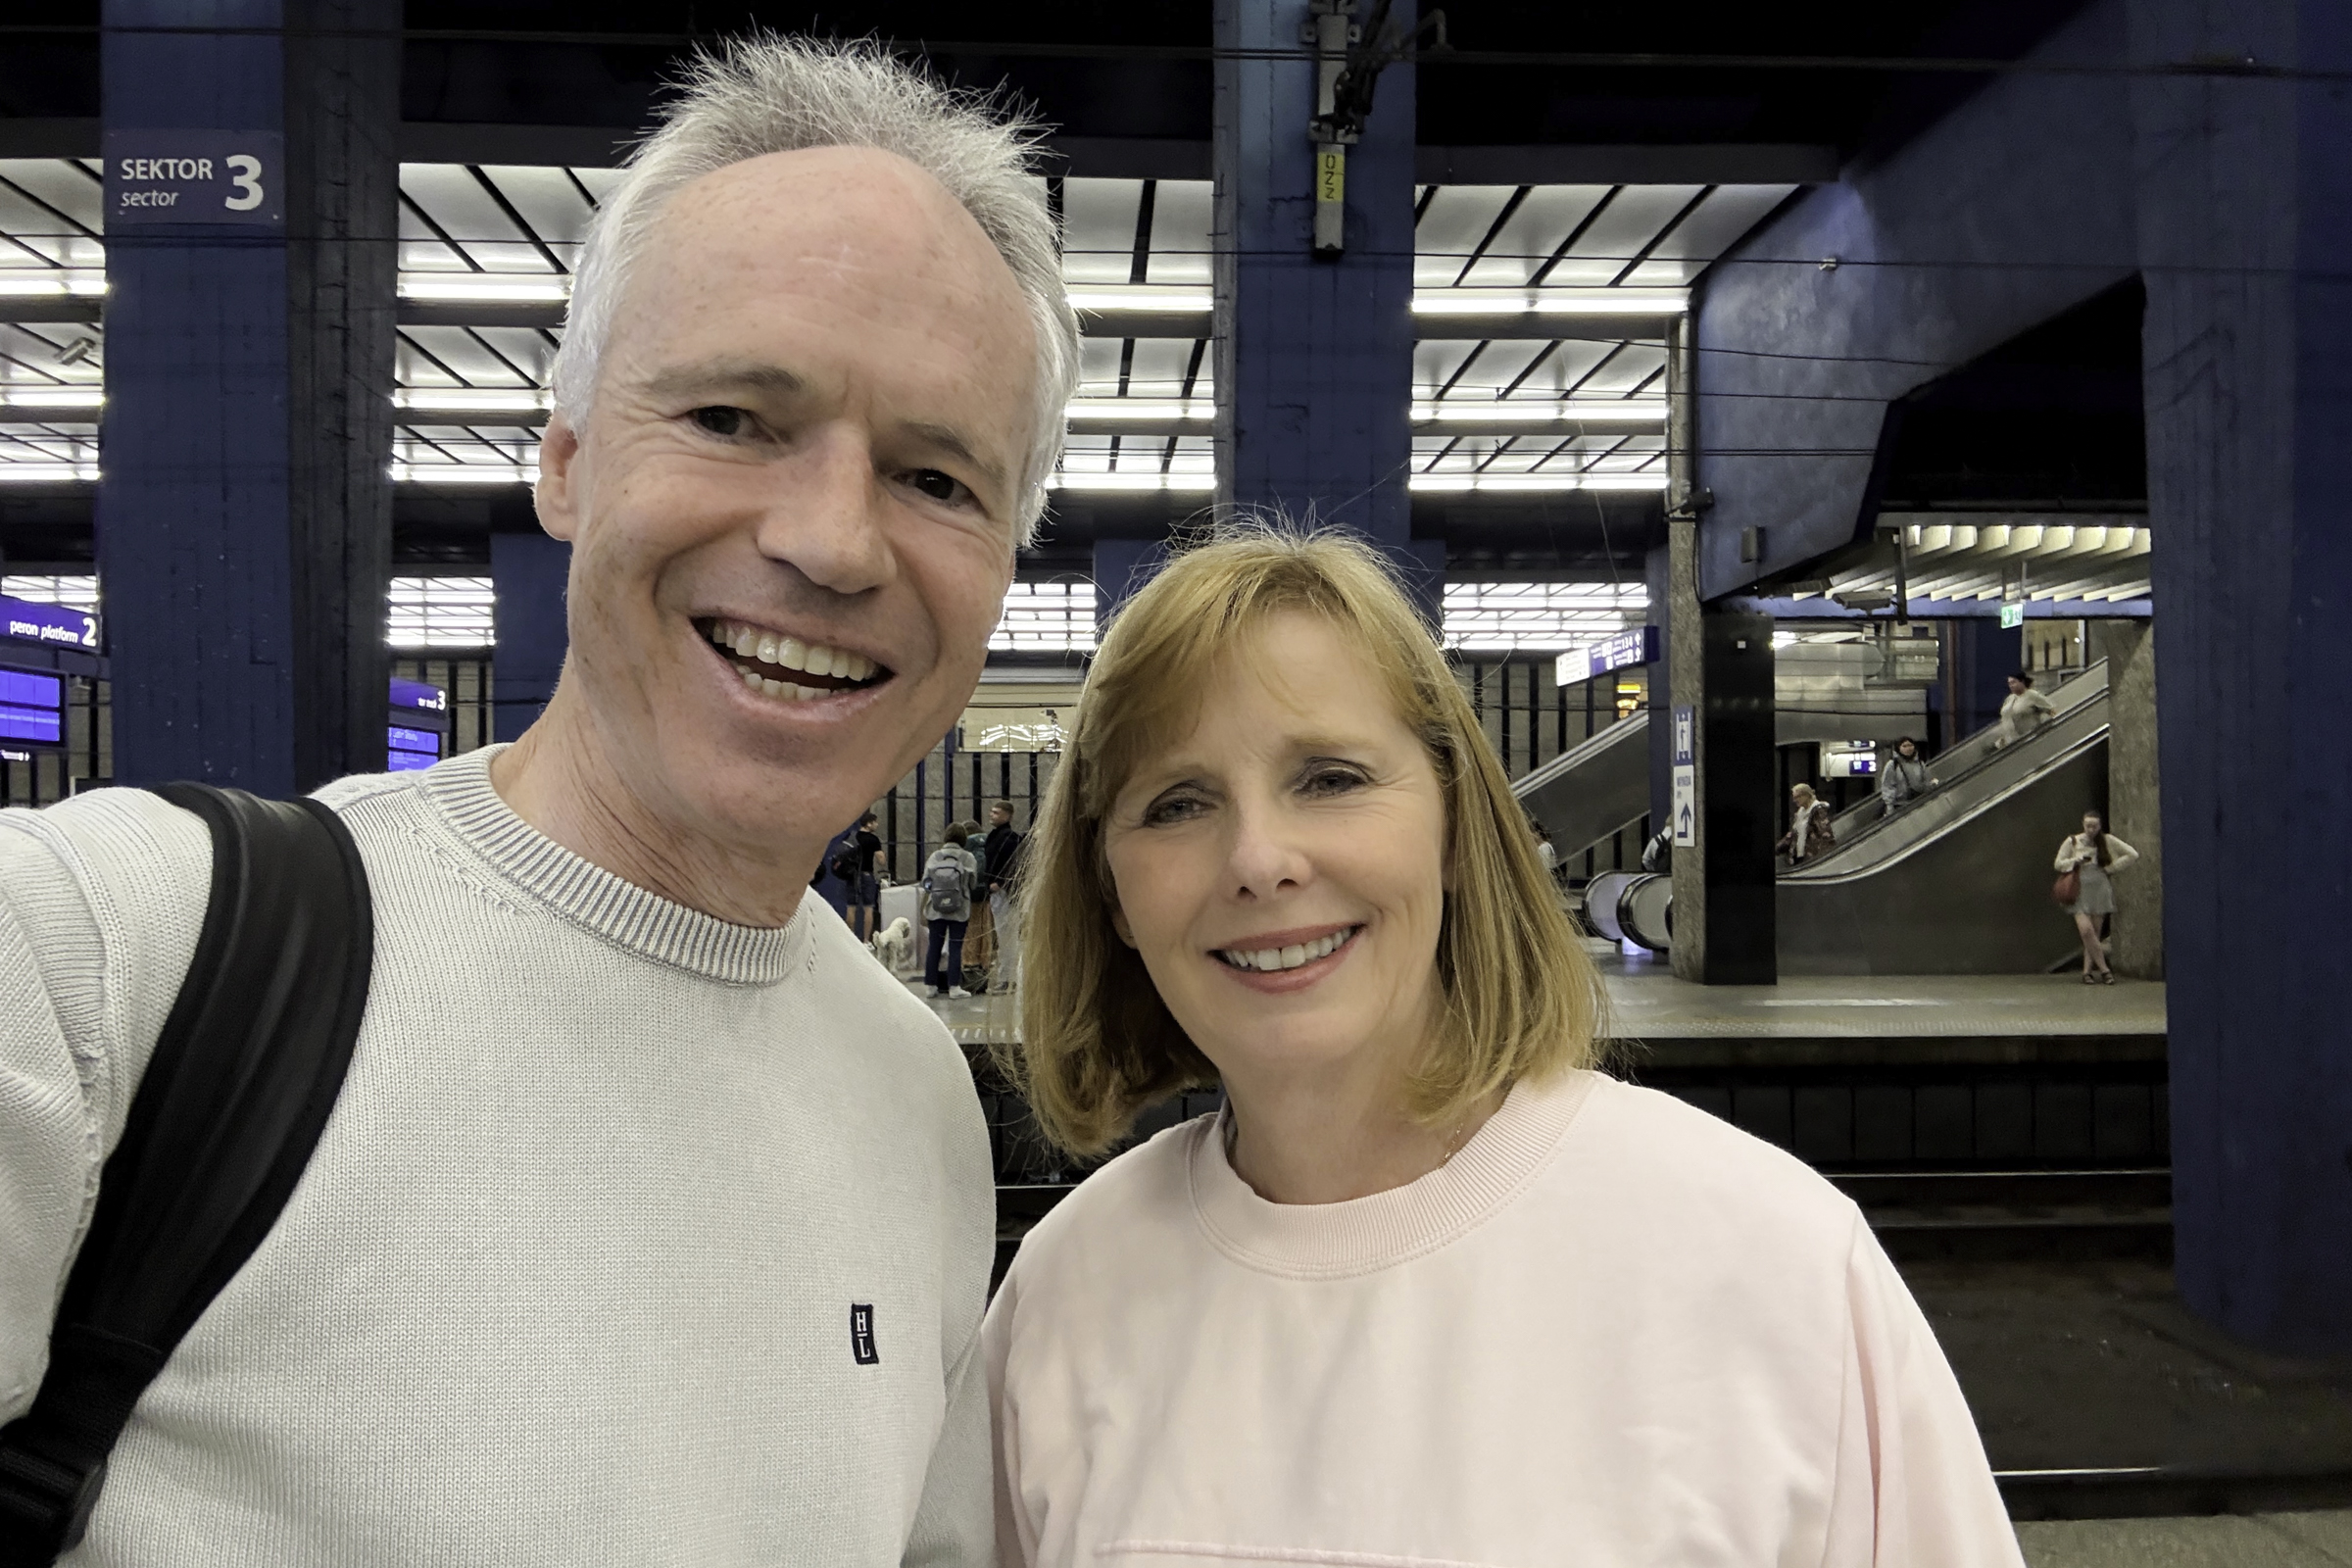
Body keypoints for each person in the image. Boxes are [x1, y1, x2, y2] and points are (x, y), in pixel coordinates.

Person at [0, 37, 1079, 1564]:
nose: (837, 541)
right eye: (731, 419)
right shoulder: (102, 954)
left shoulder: (919, 1103)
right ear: (565, 461)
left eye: (939, 478)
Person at [985, 528, 2021, 1568]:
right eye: (1177, 804)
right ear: (1114, 894)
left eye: (1332, 777)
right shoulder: (1064, 1294)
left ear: (1452, 825)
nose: (1259, 859)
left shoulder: (1774, 1266)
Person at [2055, 809, 2139, 984]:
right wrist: (2074, 861)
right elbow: (2058, 863)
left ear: (2099, 826)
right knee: (2086, 931)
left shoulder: (2107, 841)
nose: (2090, 829)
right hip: (2079, 889)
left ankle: (2087, 972)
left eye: (2094, 826)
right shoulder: (2073, 841)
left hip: (2099, 888)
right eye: (2088, 826)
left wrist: (2111, 868)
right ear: (2083, 825)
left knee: (2094, 933)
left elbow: (2132, 854)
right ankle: (2104, 969)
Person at [923, 822, 980, 999]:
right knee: (956, 946)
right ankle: (954, 987)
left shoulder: (935, 856)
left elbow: (926, 882)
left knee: (934, 946)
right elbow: (972, 884)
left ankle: (931, 986)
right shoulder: (968, 857)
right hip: (959, 909)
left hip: (936, 909)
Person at [978, 799, 1026, 994]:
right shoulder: (994, 837)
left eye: (997, 812)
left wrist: (1001, 882)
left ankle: (1009, 980)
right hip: (996, 892)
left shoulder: (1009, 838)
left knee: (1007, 937)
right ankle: (1006, 978)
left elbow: (1014, 863)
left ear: (1007, 816)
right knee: (1002, 936)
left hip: (1005, 893)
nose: (992, 815)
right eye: (991, 812)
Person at [841, 808, 885, 940]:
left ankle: (851, 939)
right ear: (868, 824)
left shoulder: (851, 837)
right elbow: (881, 860)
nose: (877, 825)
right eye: (875, 822)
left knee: (851, 907)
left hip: (851, 875)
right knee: (868, 909)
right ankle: (866, 940)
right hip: (866, 875)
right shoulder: (873, 839)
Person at [1777, 781, 1837, 863]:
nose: (1795, 800)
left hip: (1813, 857)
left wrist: (1825, 858)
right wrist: (1778, 848)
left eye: (1797, 797)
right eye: (1794, 797)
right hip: (1800, 856)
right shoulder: (1800, 813)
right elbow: (1792, 834)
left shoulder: (1818, 811)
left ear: (1806, 795)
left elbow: (1825, 834)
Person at [1994, 670, 2056, 748]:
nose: (2011, 686)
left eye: (2013, 682)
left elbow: (2050, 710)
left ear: (2022, 682)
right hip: (2010, 740)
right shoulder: (2010, 699)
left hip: (2028, 738)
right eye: (2009, 683)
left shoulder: (2032, 695)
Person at [1879, 735, 1936, 813]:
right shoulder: (1893, 765)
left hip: (1918, 802)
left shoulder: (1920, 764)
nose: (1908, 748)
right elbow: (1887, 786)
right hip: (1899, 805)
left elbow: (1926, 781)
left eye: (1910, 745)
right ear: (1899, 748)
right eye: (1904, 746)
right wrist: (1890, 806)